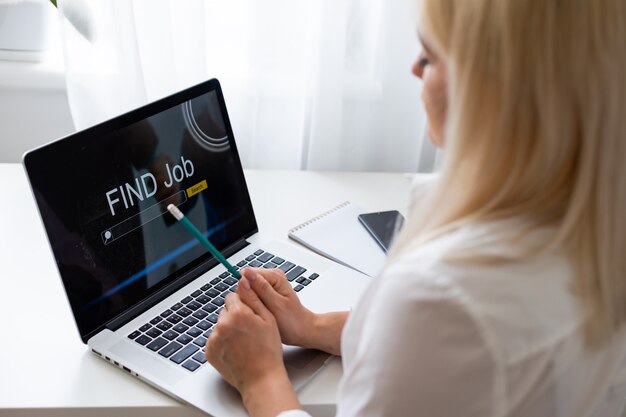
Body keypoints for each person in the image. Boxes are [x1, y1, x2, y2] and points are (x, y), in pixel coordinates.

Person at [203, 0, 626, 416]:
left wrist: (261, 380)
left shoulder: (443, 299)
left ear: (491, 89)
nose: (414, 66)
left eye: (432, 52)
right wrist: (311, 327)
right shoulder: (597, 228)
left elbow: (439, 338)